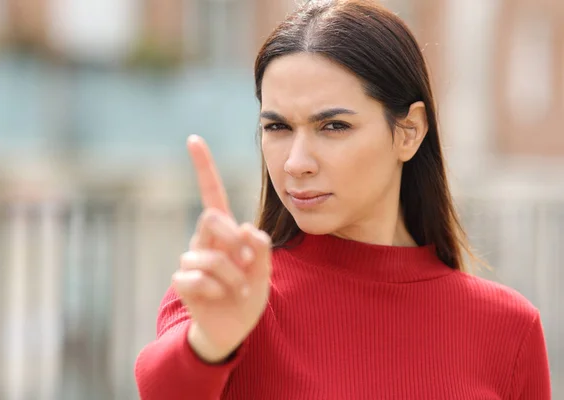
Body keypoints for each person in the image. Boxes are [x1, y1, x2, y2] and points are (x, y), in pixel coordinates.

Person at [134, 0, 552, 398]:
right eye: (278, 127)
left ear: (409, 131)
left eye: (333, 126)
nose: (296, 163)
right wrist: (209, 343)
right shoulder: (234, 298)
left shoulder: (508, 329)